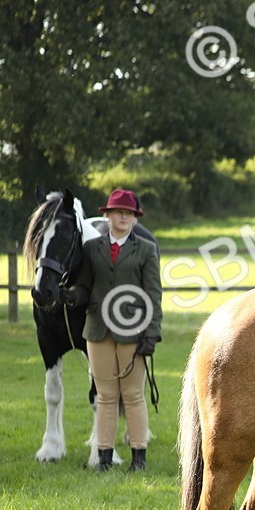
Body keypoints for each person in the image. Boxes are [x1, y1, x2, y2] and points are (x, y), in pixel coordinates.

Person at [60, 189, 162, 471]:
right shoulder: (92, 249)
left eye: (129, 214)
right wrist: (73, 296)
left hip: (132, 331)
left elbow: (153, 295)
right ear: (108, 215)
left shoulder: (146, 249)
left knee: (133, 394)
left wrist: (152, 333)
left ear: (135, 218)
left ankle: (138, 457)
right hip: (98, 330)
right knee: (105, 395)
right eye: (119, 212)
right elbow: (85, 286)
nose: (124, 218)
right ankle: (104, 457)